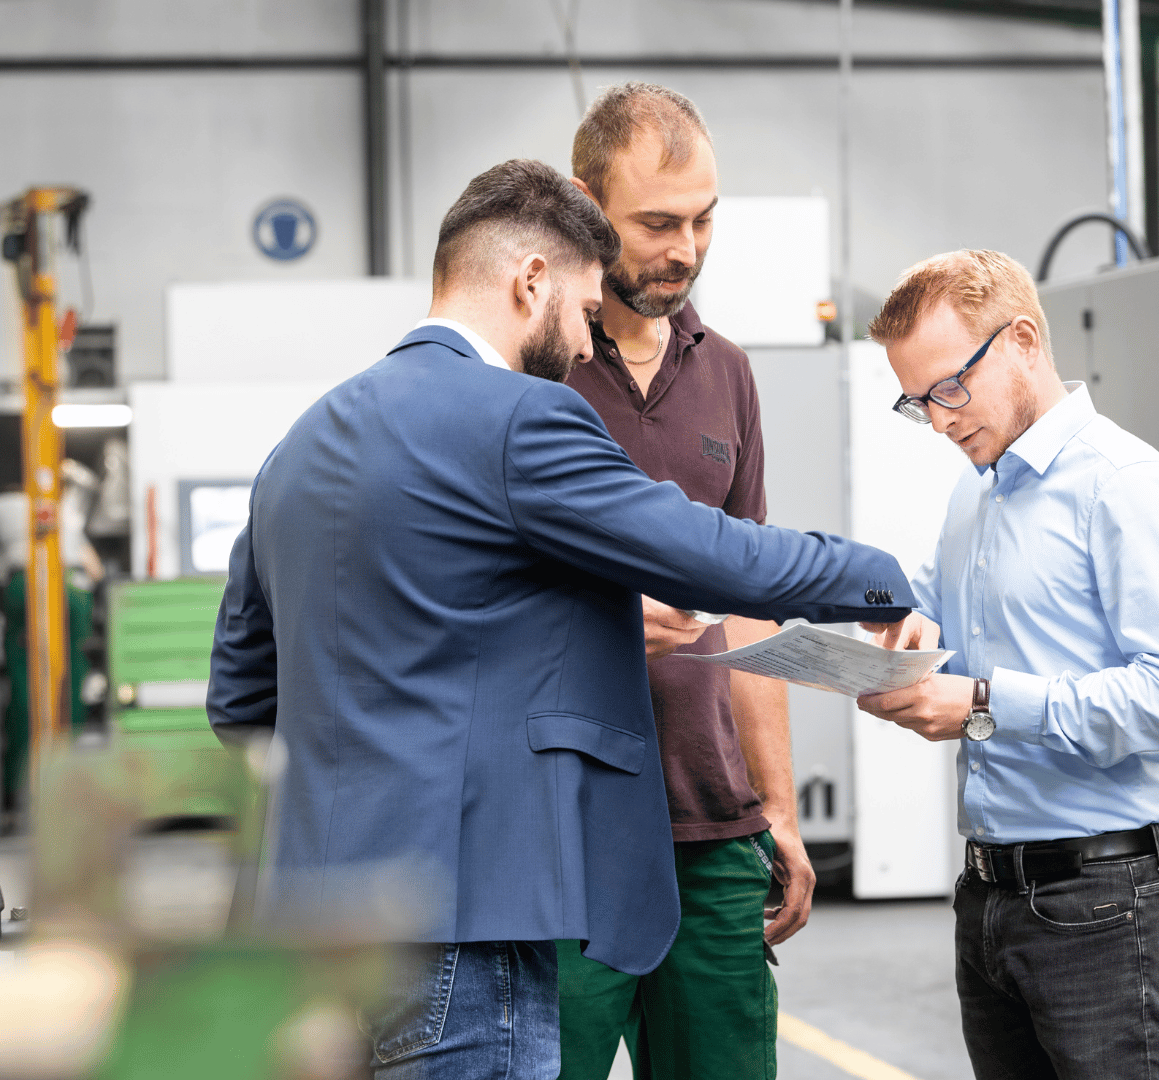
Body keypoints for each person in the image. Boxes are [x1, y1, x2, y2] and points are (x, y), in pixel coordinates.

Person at [206, 159, 911, 1080]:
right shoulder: (520, 418)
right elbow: (711, 550)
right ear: (530, 281)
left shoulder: (296, 449)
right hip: (464, 934)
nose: (584, 348)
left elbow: (241, 699)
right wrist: (883, 580)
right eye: (583, 313)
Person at [856, 250, 1159, 1080]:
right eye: (918, 404)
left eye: (950, 387)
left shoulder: (1126, 489)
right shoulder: (977, 493)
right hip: (991, 897)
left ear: (1021, 340)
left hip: (1108, 900)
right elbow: (939, 609)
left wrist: (984, 702)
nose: (942, 420)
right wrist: (907, 633)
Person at [549, 82, 801, 1079]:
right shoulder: (530, 373)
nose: (685, 249)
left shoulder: (726, 372)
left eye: (703, 221)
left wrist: (777, 807)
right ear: (582, 206)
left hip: (714, 833)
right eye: (657, 223)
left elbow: (750, 600)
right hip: (560, 837)